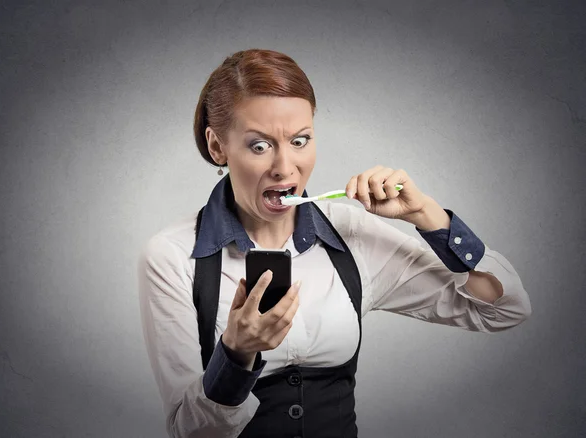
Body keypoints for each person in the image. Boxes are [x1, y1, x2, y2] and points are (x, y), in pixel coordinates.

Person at [137, 49, 532, 438]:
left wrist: (428, 216)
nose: (284, 167)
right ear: (217, 146)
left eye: (300, 140)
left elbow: (503, 310)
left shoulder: (351, 235)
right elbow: (188, 431)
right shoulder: (173, 256)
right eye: (259, 146)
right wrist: (236, 355)